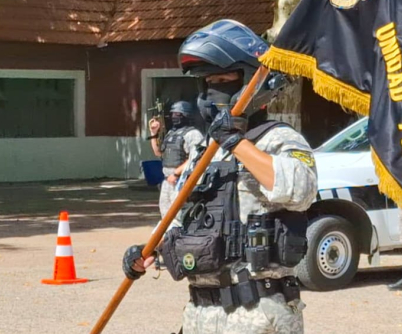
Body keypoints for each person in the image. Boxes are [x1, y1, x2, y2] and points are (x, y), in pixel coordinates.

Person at [122, 20, 317, 334]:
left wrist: (237, 143)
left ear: (252, 81)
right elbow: (180, 218)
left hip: (257, 314)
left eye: (224, 80)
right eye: (209, 81)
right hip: (200, 315)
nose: (214, 90)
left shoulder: (278, 139)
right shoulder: (204, 150)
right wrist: (148, 251)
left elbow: (301, 191)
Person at [149, 101, 204, 219]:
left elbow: (196, 158)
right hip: (168, 180)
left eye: (178, 114)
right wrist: (154, 134)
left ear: (186, 115)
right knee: (165, 214)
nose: (174, 117)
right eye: (173, 114)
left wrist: (176, 173)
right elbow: (158, 153)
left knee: (179, 214)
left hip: (182, 180)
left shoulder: (193, 134)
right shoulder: (171, 133)